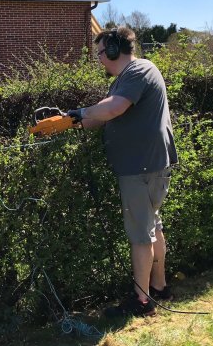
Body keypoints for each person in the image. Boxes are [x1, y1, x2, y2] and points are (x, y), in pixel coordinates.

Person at [67, 26, 178, 318]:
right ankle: (159, 286)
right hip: (147, 164)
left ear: (115, 50)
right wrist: (71, 120)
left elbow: (114, 108)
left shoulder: (137, 72)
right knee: (153, 227)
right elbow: (105, 112)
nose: (100, 59)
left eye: (101, 53)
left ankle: (142, 303)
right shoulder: (129, 77)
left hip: (139, 167)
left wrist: (81, 113)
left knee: (141, 235)